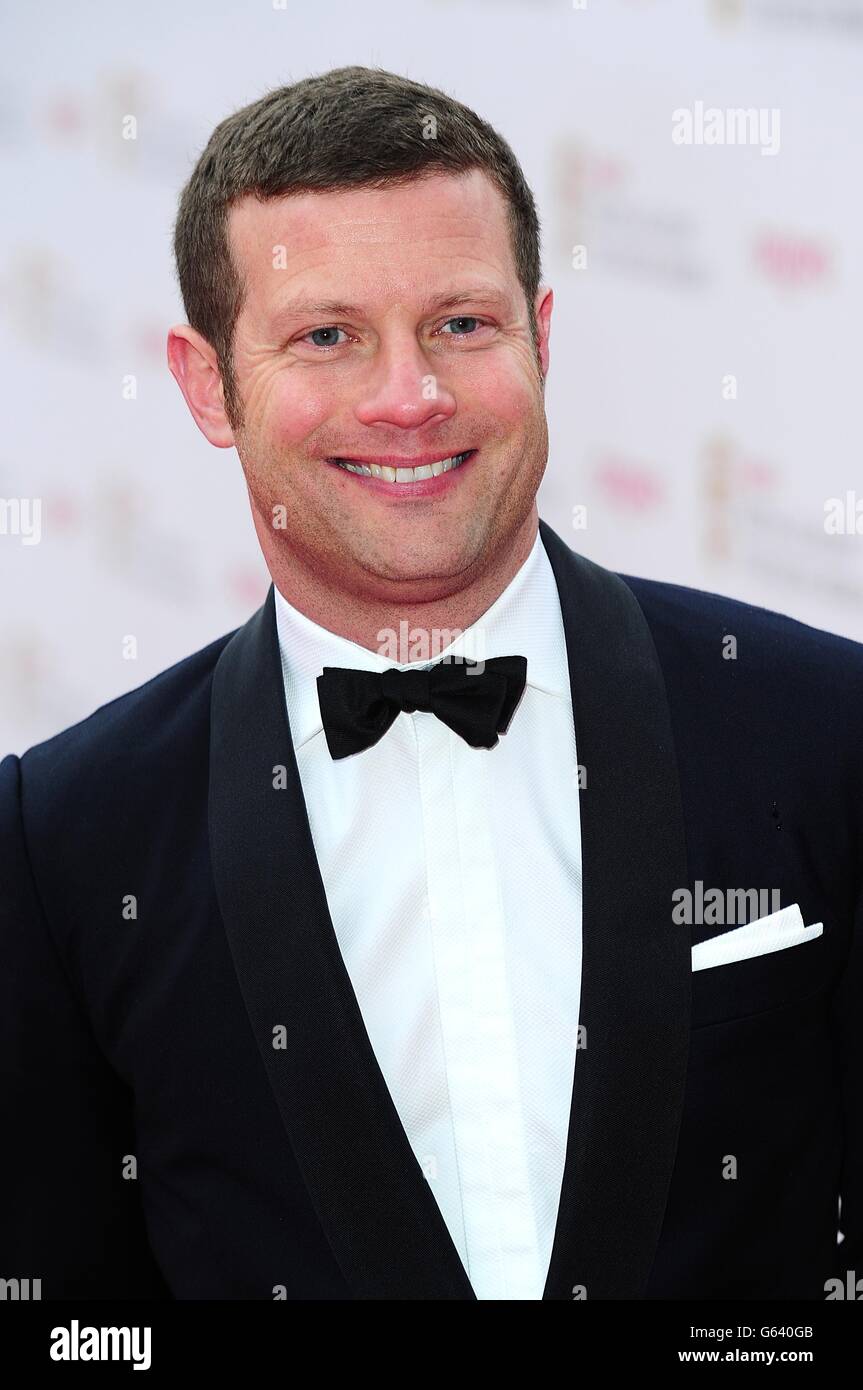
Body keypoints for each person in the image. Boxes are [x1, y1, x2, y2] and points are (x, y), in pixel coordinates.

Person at [1, 65, 860, 1302]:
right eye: (326, 336)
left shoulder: (821, 734)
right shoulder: (61, 844)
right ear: (207, 387)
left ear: (541, 337)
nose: (407, 397)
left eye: (460, 323)